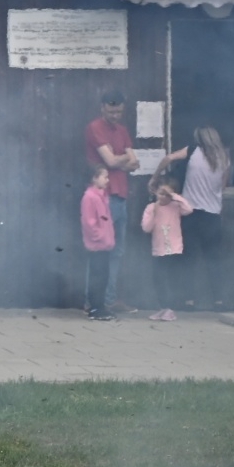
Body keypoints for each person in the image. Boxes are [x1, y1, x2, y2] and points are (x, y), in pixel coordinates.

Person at [163, 126, 229, 311]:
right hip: (212, 215)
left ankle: (188, 300)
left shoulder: (192, 151)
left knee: (188, 258)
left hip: (190, 213)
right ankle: (218, 300)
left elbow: (168, 158)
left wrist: (155, 177)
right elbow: (223, 187)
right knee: (213, 259)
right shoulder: (224, 158)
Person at [84, 90, 139, 313]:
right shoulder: (95, 127)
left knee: (116, 252)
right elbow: (111, 161)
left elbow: (134, 163)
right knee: (100, 249)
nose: (115, 116)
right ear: (102, 108)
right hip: (103, 198)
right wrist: (123, 158)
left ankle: (108, 299)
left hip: (120, 195)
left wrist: (119, 159)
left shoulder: (122, 130)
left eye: (118, 112)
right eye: (111, 111)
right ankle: (92, 302)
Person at [140, 173, 194, 321]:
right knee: (159, 280)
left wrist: (174, 196)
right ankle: (163, 307)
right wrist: (154, 213)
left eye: (166, 194)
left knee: (170, 279)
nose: (163, 197)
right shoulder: (151, 208)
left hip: (174, 249)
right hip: (158, 249)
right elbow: (146, 228)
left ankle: (170, 308)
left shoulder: (175, 206)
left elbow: (189, 209)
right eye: (160, 193)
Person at [81, 164, 116, 320]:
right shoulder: (90, 197)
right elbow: (89, 222)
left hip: (105, 244)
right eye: (105, 177)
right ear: (94, 178)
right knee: (97, 277)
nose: (107, 180)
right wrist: (100, 236)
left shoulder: (102, 196)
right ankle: (95, 308)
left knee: (103, 276)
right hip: (97, 245)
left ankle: (100, 306)